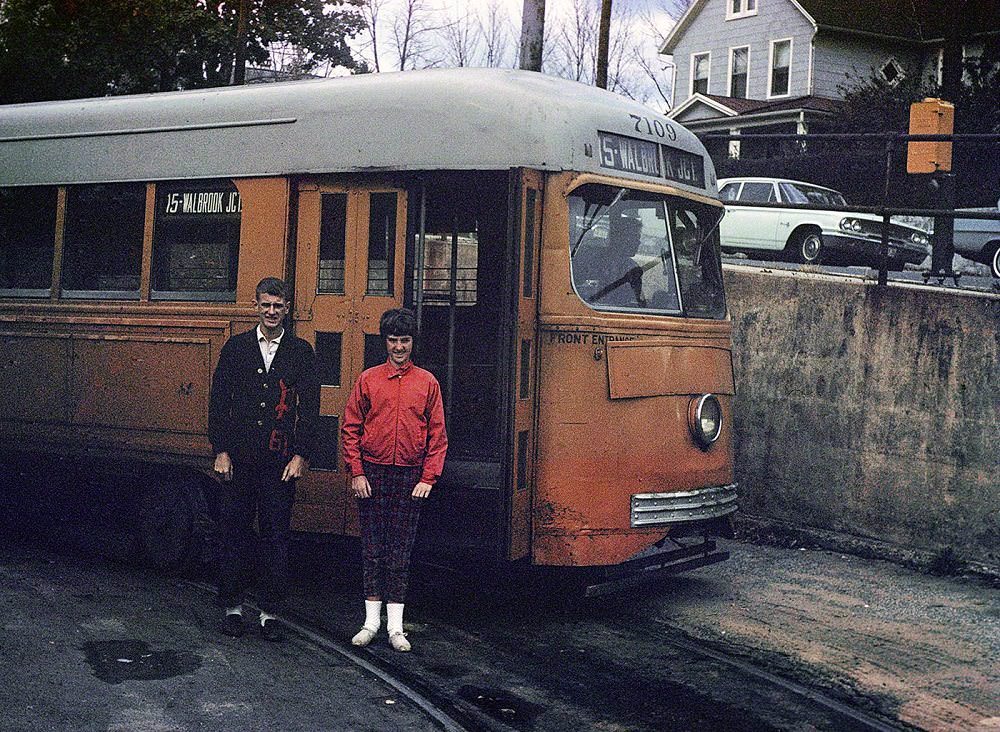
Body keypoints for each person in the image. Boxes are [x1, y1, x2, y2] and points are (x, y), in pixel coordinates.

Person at [208, 276, 319, 642]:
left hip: (279, 463)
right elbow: (218, 402)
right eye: (265, 305)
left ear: (287, 308)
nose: (272, 312)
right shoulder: (236, 348)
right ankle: (233, 608)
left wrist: (302, 454)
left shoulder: (301, 352)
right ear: (256, 306)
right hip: (238, 460)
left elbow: (311, 409)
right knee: (234, 533)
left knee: (275, 536)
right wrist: (221, 450)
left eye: (278, 306)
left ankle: (270, 613)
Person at [341, 307, 447, 652]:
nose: (399, 347)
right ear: (384, 342)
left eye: (404, 341)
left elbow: (438, 434)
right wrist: (356, 472)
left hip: (410, 476)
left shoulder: (427, 382)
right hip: (371, 473)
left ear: (412, 343)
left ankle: (396, 628)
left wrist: (428, 478)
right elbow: (350, 428)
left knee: (400, 552)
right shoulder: (368, 379)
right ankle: (371, 623)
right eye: (392, 340)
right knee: (372, 549)